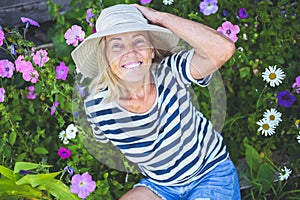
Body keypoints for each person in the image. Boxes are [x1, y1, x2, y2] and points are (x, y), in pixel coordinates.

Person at [71, 3, 241, 200]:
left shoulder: (171, 72)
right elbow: (103, 141)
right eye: (116, 45)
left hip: (209, 174)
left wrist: (159, 17)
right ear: (105, 57)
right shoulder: (97, 107)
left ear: (152, 50)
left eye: (138, 41)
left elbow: (223, 48)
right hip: (161, 187)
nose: (130, 52)